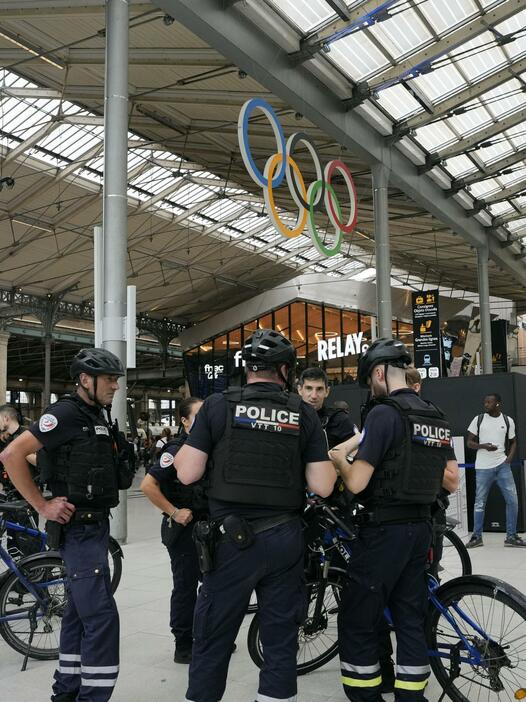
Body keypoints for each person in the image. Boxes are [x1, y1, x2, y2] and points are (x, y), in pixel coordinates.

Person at [174, 328, 336, 702]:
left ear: (247, 368)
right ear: (284, 370)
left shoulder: (217, 406)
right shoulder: (303, 414)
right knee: (279, 639)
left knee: (213, 635)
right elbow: (323, 486)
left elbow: (187, 473)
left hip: (229, 543)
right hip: (285, 540)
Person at [329, 338, 459, 701]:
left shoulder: (384, 414)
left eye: (371, 379)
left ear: (381, 373)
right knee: (409, 620)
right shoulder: (434, 415)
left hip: (384, 532)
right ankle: (411, 697)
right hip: (422, 529)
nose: (371, 388)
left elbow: (356, 481)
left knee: (357, 618)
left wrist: (339, 460)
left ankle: (365, 696)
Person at [0, 347, 126, 702]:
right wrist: (41, 504)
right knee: (100, 618)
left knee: (75, 614)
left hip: (93, 529)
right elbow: (10, 455)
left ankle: (66, 692)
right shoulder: (67, 413)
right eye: (110, 379)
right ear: (86, 380)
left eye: (117, 379)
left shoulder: (95, 415)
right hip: (80, 531)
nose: (115, 385)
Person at [140, 396, 206, 664]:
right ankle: (183, 643)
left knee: (212, 586)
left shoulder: (208, 446)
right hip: (184, 530)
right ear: (184, 420)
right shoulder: (176, 449)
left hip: (208, 527)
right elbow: (147, 485)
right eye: (198, 416)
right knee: (186, 586)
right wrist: (174, 511)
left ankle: (205, 635)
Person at [465, 394, 525, 548]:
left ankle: (511, 536)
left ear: (498, 403)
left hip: (503, 466)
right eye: (485, 402)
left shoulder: (507, 420)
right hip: (483, 467)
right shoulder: (478, 419)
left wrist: (509, 458)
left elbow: (513, 442)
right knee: (479, 503)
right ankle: (477, 537)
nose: (486, 404)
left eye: (489, 402)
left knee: (512, 501)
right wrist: (484, 446)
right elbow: (469, 443)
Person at [298, 367, 358, 449]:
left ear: (327, 391)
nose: (314, 396)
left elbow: (357, 452)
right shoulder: (288, 417)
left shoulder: (339, 420)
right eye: (309, 388)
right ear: (300, 390)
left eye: (319, 389)